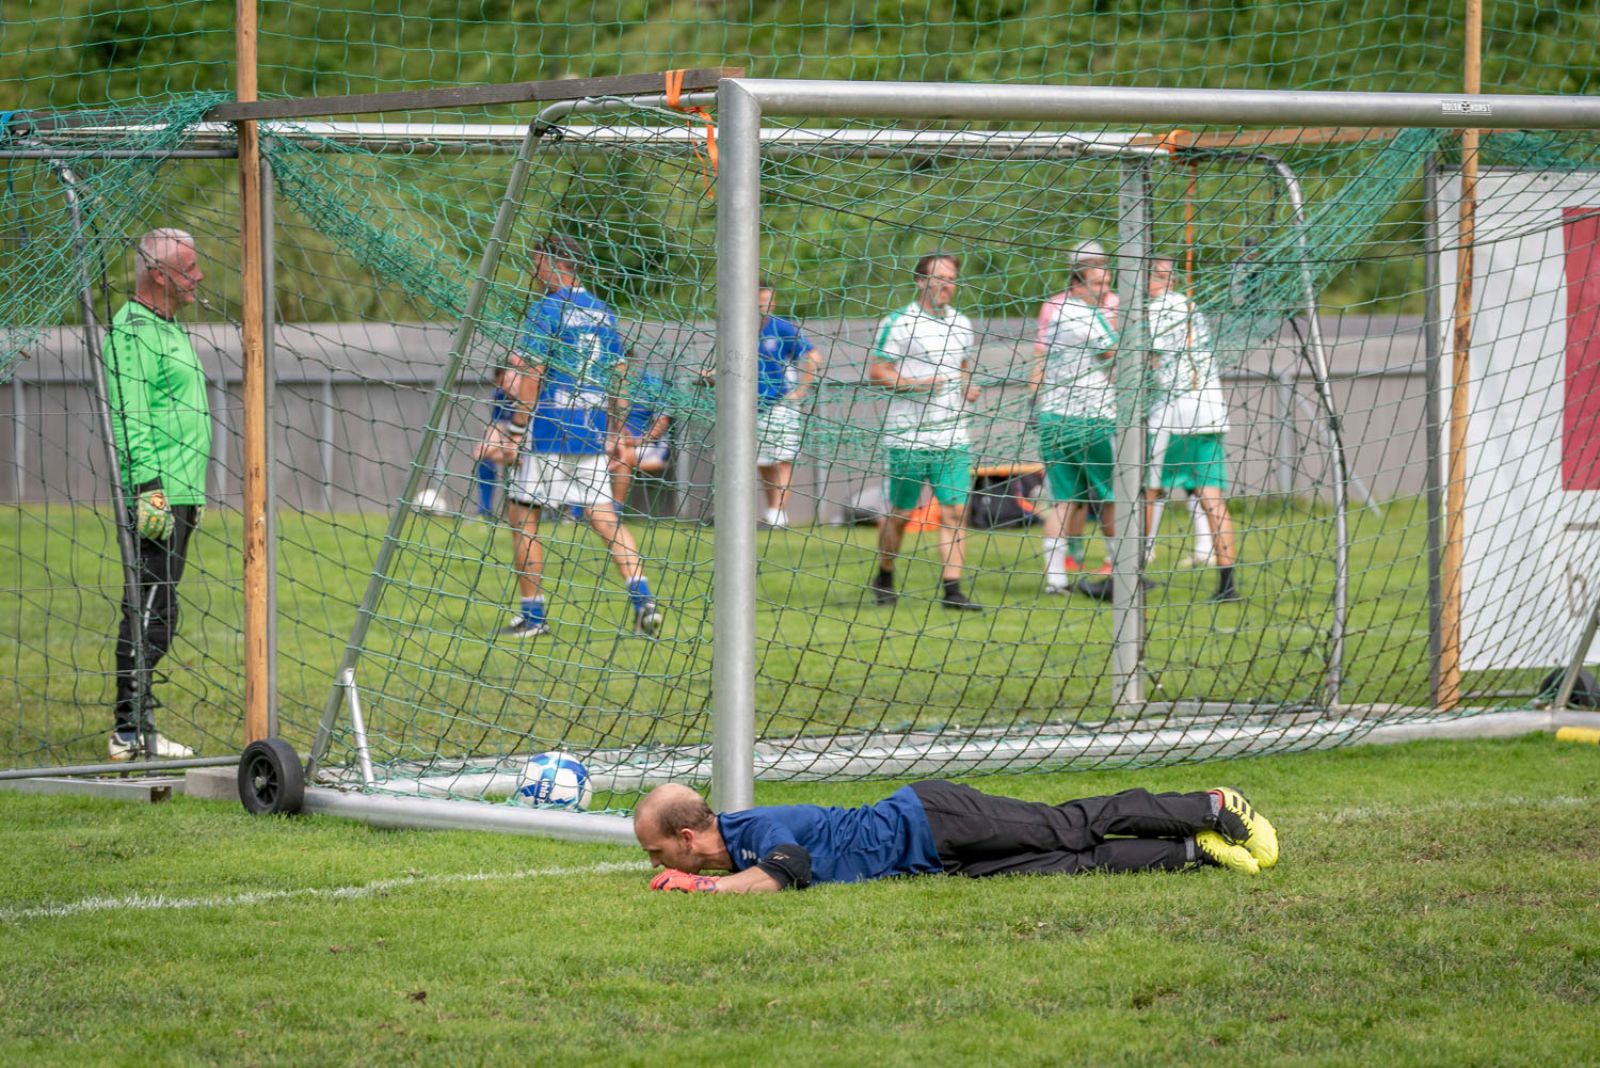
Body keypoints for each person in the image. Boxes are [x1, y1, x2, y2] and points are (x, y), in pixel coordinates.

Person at [476, 235, 663, 637]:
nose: (533, 270)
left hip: (549, 430)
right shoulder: (602, 312)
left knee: (522, 517)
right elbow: (619, 375)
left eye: (536, 262)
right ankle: (644, 601)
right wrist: (617, 429)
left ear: (553, 263)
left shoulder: (546, 309)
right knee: (605, 519)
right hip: (590, 430)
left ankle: (533, 616)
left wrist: (516, 431)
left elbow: (532, 374)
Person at [635, 780, 1279, 894]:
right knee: (1069, 864)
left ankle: (1212, 806)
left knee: (1066, 824)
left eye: (656, 851)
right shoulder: (734, 852)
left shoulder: (755, 829)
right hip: (940, 864)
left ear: (687, 838)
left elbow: (785, 869)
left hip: (934, 818)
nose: (653, 861)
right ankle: (1192, 851)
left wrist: (702, 891)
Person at [102, 228, 209, 761]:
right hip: (157, 494)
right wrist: (149, 489)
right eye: (189, 268)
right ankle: (128, 732)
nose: (199, 277)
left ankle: (138, 726)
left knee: (161, 612)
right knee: (149, 612)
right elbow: (130, 418)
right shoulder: (132, 332)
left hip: (182, 492)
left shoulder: (169, 328)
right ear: (158, 274)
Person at [866, 252, 981, 611]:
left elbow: (963, 365)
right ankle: (885, 574)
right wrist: (915, 384)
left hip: (952, 436)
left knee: (955, 511)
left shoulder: (962, 322)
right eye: (939, 278)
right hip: (908, 436)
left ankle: (952, 591)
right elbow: (877, 371)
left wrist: (967, 387)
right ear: (920, 281)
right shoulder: (899, 322)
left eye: (951, 279)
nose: (946, 285)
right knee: (902, 513)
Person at [1030, 255, 1132, 599]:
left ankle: (1056, 580)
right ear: (1076, 285)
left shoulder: (1058, 313)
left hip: (1053, 418)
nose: (1105, 291)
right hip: (1090, 419)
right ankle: (1121, 570)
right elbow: (1113, 353)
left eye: (1108, 283)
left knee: (1063, 500)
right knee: (1113, 495)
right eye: (1098, 283)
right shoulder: (1085, 315)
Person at [1143, 258, 1239, 602]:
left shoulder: (1151, 311)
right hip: (1210, 409)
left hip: (1173, 410)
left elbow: (1150, 360)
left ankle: (1132, 571)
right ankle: (1227, 585)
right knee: (1211, 495)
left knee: (1148, 490)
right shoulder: (1190, 306)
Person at [701, 281, 821, 529]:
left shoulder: (782, 327)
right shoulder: (735, 328)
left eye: (770, 301)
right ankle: (754, 514)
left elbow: (813, 356)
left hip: (778, 404)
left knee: (782, 458)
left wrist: (800, 390)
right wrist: (712, 376)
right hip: (742, 407)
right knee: (755, 460)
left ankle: (778, 514)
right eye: (762, 301)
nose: (767, 305)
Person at [608, 370, 673, 513]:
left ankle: (615, 510)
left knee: (625, 457)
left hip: (651, 446)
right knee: (591, 454)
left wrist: (638, 441)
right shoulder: (607, 380)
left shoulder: (653, 385)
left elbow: (661, 423)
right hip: (616, 442)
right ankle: (579, 509)